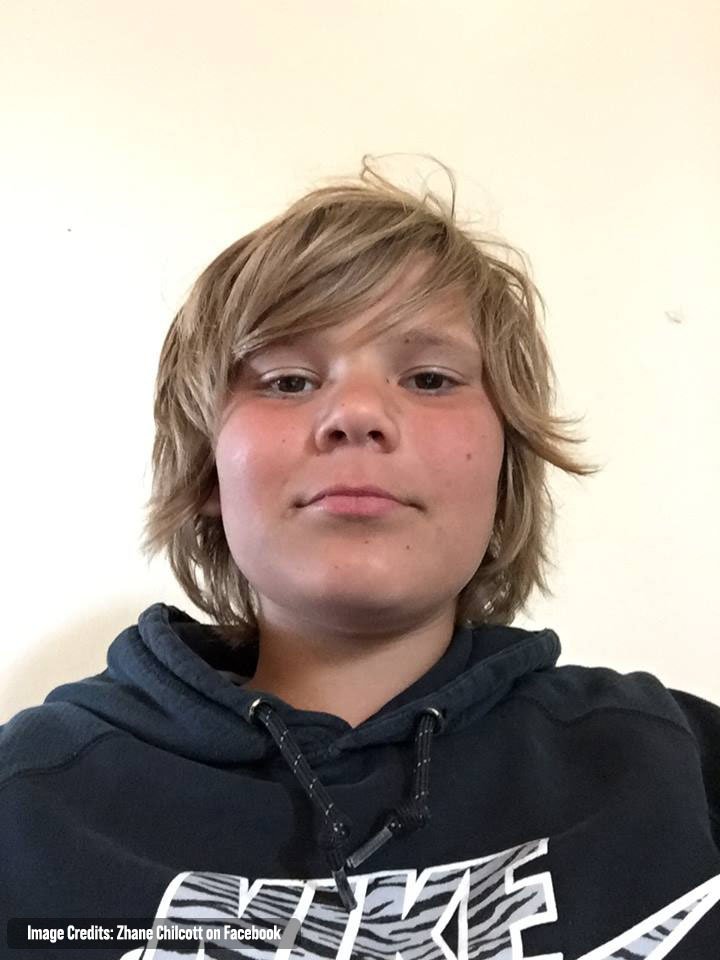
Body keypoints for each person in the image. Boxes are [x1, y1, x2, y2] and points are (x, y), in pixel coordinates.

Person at [1, 156, 718, 960]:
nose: (356, 413)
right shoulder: (29, 801)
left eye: (431, 378)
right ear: (206, 471)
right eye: (287, 380)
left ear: (505, 467)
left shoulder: (678, 763)